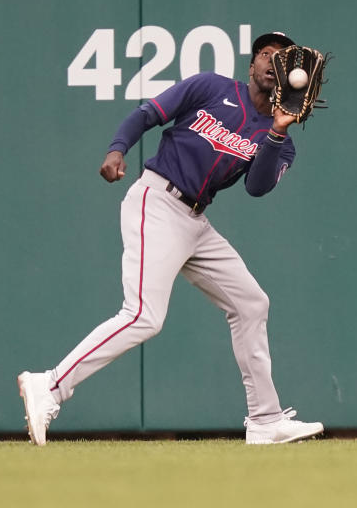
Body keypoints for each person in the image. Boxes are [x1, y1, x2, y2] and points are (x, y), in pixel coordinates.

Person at [18, 32, 324, 445]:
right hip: (157, 199)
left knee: (252, 304)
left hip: (195, 222)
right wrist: (117, 148)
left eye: (282, 58)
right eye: (265, 55)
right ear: (251, 66)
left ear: (291, 74)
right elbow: (148, 114)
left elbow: (257, 187)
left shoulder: (279, 139)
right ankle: (50, 385)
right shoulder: (212, 87)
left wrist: (277, 131)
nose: (272, 62)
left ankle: (265, 419)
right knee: (143, 315)